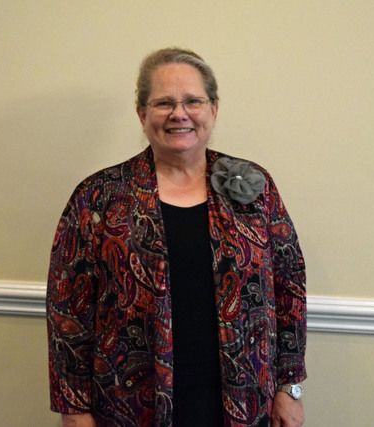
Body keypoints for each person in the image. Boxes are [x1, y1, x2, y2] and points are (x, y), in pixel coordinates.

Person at [46, 47, 307, 427]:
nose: (179, 113)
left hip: (245, 398)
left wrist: (289, 387)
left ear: (213, 109)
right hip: (130, 403)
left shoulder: (255, 187)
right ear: (142, 113)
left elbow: (290, 286)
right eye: (164, 102)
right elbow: (67, 308)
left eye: (192, 101)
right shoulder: (99, 195)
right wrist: (74, 408)